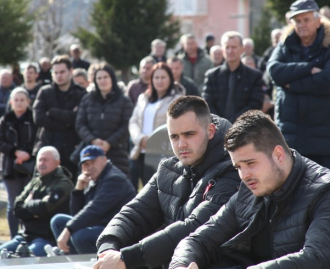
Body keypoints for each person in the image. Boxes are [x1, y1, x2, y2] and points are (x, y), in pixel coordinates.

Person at [168, 110, 330, 269]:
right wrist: (181, 264)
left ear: (279, 155)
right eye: (238, 167)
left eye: (251, 163)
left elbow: (315, 259)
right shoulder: (249, 190)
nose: (244, 175)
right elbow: (198, 239)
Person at [94, 96, 240, 269]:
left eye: (189, 134)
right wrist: (108, 248)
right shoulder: (168, 169)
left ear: (210, 131)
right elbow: (134, 213)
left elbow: (195, 227)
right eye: (174, 137)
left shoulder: (233, 169)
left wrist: (126, 259)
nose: (181, 144)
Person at [268, 0, 330, 174]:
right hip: (291, 137)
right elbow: (274, 72)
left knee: (328, 197)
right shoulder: (284, 46)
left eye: (306, 19)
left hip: (324, 138)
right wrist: (309, 68)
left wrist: (290, 84)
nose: (301, 24)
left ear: (318, 21)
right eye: (297, 21)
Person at [0, 146, 74, 257]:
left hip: (46, 240)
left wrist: (28, 204)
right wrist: (35, 209)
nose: (41, 163)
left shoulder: (64, 184)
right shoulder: (36, 181)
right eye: (39, 160)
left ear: (57, 162)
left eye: (46, 160)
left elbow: (44, 208)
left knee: (23, 262)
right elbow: (17, 208)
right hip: (24, 237)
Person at [51, 146, 135, 254]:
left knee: (80, 236)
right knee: (58, 221)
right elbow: (76, 214)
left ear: (104, 159)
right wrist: (78, 191)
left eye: (93, 162)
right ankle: (74, 261)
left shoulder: (114, 178)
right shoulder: (95, 178)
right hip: (102, 226)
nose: (89, 167)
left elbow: (95, 209)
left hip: (120, 231)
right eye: (86, 164)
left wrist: (69, 229)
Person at [128, 63, 184, 189]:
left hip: (162, 152)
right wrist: (140, 138)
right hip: (140, 150)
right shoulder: (143, 98)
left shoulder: (177, 99)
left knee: (160, 189)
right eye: (156, 77)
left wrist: (153, 140)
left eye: (163, 77)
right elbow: (133, 121)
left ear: (170, 78)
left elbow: (175, 124)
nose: (159, 81)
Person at [33, 55, 87, 181]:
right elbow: (38, 118)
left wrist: (52, 112)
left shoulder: (81, 94)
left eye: (62, 72)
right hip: (47, 146)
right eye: (55, 72)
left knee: (71, 191)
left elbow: (79, 119)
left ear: (71, 71)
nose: (59, 75)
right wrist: (65, 124)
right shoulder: (45, 92)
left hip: (71, 150)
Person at [77, 64, 134, 177]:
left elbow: (127, 125)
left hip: (117, 154)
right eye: (99, 78)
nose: (102, 81)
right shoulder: (87, 99)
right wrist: (92, 140)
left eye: (106, 77)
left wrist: (109, 143)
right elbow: (80, 124)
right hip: (90, 153)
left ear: (112, 78)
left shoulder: (124, 101)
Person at [0, 87, 37, 238]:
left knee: (27, 203)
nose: (19, 103)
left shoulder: (34, 119)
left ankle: (27, 235)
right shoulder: (5, 120)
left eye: (22, 100)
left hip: (29, 167)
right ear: (11, 102)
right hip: (10, 168)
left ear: (28, 102)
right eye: (16, 100)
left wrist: (28, 154)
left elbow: (39, 139)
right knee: (13, 204)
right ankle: (14, 237)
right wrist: (15, 152)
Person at [203, 31, 265, 124]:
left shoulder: (254, 76)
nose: (230, 51)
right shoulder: (212, 76)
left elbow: (255, 104)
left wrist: (235, 123)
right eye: (227, 47)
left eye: (234, 47)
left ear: (242, 49)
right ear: (222, 50)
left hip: (245, 129)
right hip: (217, 129)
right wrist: (221, 123)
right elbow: (207, 103)